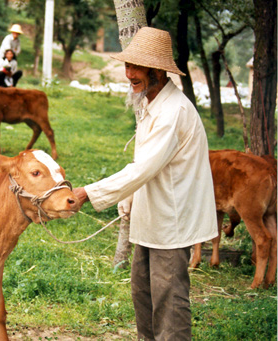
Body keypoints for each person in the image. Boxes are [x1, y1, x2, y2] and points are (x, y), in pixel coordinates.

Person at [73, 27, 218, 340]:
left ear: (158, 71)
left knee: (170, 299)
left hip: (172, 220)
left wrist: (87, 193)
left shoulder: (173, 111)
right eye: (128, 66)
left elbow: (142, 169)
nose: (130, 74)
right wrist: (127, 201)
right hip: (152, 217)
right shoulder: (151, 104)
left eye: (138, 67)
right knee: (142, 292)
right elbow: (145, 166)